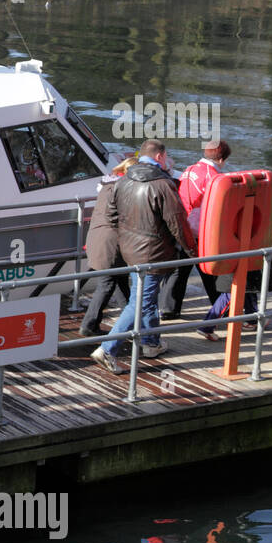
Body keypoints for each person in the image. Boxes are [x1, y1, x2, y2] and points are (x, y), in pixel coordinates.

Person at [91, 139, 195, 373]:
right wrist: (190, 250)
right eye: (166, 156)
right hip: (154, 252)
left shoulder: (123, 180)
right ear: (160, 157)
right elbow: (177, 222)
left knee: (145, 296)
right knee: (139, 303)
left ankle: (151, 343)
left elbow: (112, 215)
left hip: (130, 250)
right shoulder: (163, 184)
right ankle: (107, 349)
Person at [161, 138, 229, 318]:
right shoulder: (215, 177)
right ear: (221, 160)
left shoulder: (189, 170)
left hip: (181, 227)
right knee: (209, 269)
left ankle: (169, 309)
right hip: (201, 230)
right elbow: (220, 206)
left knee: (179, 269)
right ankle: (221, 306)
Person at [79, 155, 138, 336]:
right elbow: (120, 218)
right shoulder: (122, 189)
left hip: (98, 238)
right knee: (107, 284)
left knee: (119, 280)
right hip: (111, 243)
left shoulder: (107, 186)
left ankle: (133, 321)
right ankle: (89, 325)